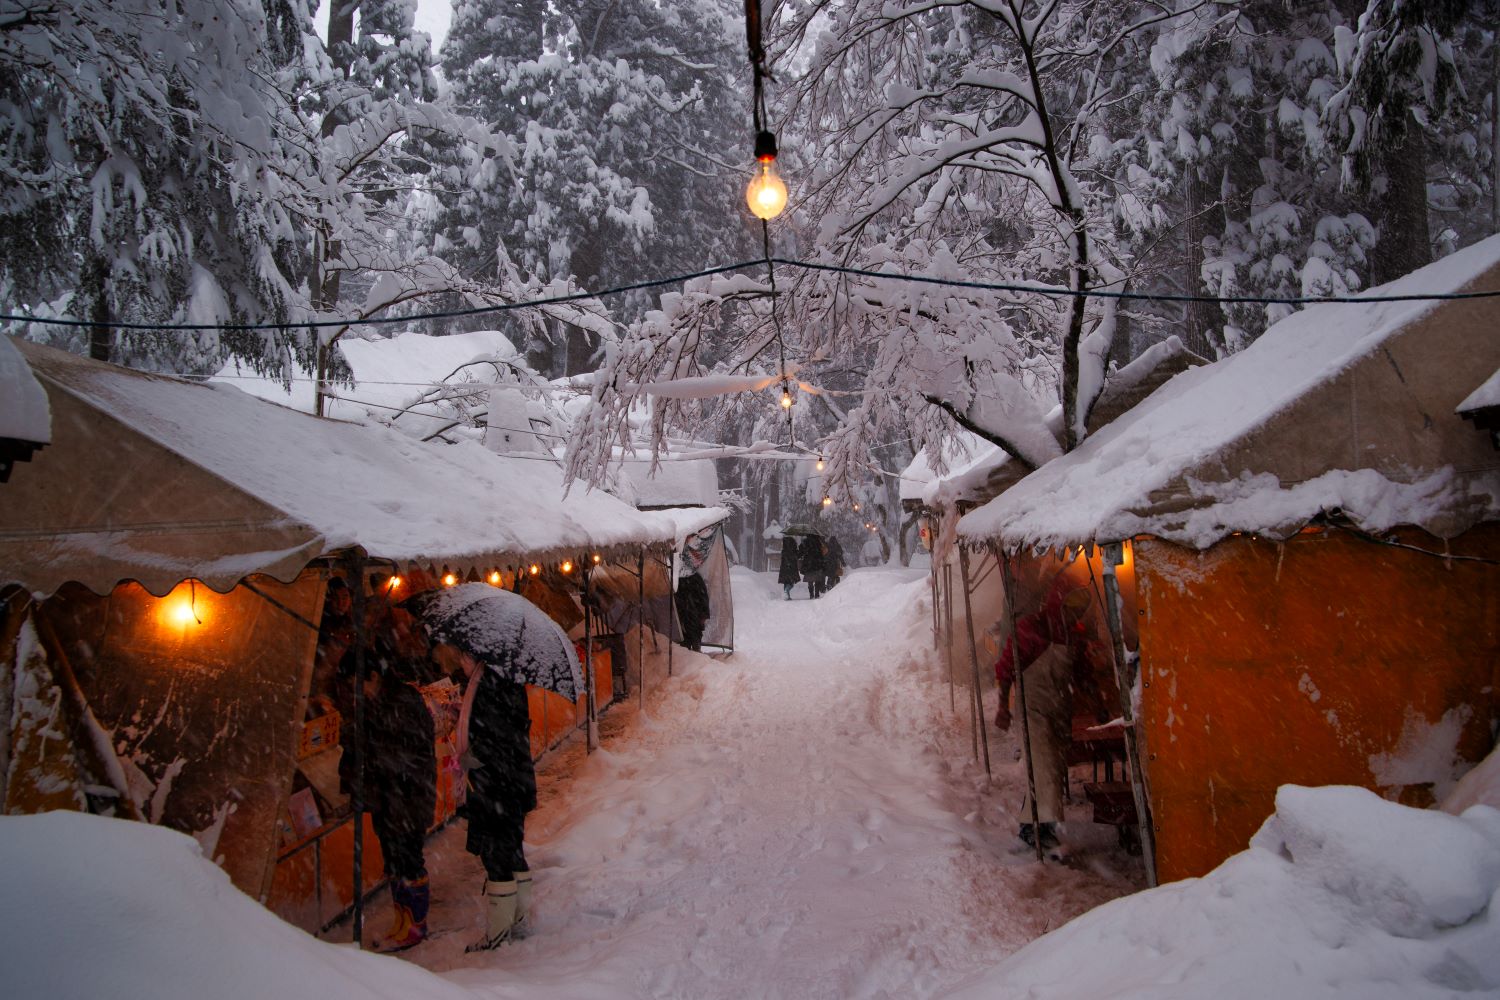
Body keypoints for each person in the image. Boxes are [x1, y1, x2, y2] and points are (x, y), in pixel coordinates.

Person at [992, 576, 1105, 853]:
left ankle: (1036, 826)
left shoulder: (1074, 635)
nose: (1074, 615)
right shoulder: (1031, 628)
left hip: (1059, 708)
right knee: (1043, 767)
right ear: (1058, 603)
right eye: (1070, 608)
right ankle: (1037, 832)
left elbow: (1083, 674)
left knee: (1052, 770)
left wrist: (1098, 704)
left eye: (1079, 610)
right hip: (1033, 708)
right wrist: (1003, 706)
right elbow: (1005, 670)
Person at [338, 639, 437, 953]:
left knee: (409, 861)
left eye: (357, 683)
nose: (356, 690)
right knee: (394, 862)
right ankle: (402, 921)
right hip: (390, 800)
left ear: (372, 677)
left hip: (407, 798)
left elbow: (404, 755)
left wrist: (373, 755)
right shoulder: (379, 701)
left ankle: (416, 925)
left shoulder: (401, 701)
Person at [460, 661, 538, 951]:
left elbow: (493, 740)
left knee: (496, 855)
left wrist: (468, 757)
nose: (460, 661)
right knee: (512, 848)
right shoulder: (509, 678)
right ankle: (516, 919)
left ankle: (498, 932)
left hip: (498, 787)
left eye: (463, 656)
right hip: (513, 783)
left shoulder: (490, 684)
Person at [674, 568, 711, 652]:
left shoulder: (695, 578)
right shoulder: (678, 579)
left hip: (693, 616)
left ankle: (695, 658)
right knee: (684, 644)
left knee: (693, 641)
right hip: (685, 616)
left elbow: (703, 598)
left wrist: (703, 615)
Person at [800, 534, 826, 599]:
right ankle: (816, 594)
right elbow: (821, 553)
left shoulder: (805, 542)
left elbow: (802, 551)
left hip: (808, 563)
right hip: (817, 562)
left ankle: (811, 594)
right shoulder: (818, 542)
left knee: (810, 579)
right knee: (817, 579)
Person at [777, 532, 801, 600]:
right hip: (791, 568)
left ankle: (787, 596)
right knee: (791, 583)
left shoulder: (784, 550)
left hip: (784, 569)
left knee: (786, 582)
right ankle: (786, 591)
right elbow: (797, 556)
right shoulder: (793, 550)